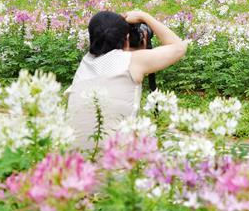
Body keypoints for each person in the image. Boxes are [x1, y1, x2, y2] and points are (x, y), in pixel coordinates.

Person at [66, 9, 189, 149]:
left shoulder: (85, 63)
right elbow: (180, 47)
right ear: (127, 39)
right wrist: (144, 15)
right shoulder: (132, 62)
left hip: (76, 161)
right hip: (114, 162)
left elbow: (113, 56)